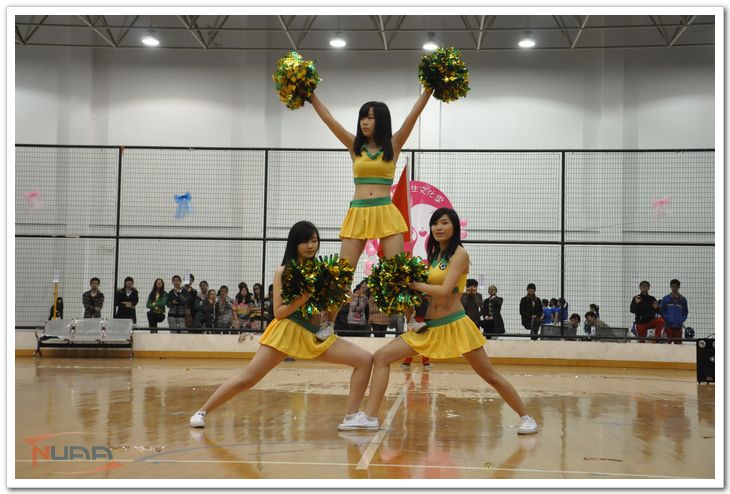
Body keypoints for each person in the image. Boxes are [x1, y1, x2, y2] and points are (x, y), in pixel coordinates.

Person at [350, 208, 538, 434]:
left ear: (454, 226)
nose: (438, 228)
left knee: (489, 375)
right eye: (435, 223)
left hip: (455, 325)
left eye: (444, 223)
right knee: (381, 357)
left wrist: (413, 285)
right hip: (430, 327)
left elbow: (445, 290)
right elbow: (426, 293)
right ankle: (370, 417)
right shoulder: (435, 256)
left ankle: (526, 417)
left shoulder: (460, 254)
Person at [189, 221, 373, 429]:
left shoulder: (323, 271)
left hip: (316, 335)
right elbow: (278, 312)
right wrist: (303, 298)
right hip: (286, 331)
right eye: (305, 241)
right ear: (295, 243)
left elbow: (334, 302)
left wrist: (339, 294)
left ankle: (351, 417)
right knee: (247, 379)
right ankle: (202, 411)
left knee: (364, 360)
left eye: (314, 241)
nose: (311, 246)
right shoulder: (282, 271)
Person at [308, 87, 434, 332]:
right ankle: (328, 323)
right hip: (358, 212)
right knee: (343, 273)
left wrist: (429, 89)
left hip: (385, 211)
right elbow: (329, 119)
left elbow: (413, 115)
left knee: (398, 270)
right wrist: (310, 95)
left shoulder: (394, 145)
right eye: (362, 117)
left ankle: (411, 320)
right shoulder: (355, 146)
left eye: (370, 117)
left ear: (381, 121)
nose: (364, 122)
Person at [660, 279, 689, 345]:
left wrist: (681, 320)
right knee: (668, 344)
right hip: (668, 326)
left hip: (678, 326)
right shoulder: (666, 298)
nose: (674, 288)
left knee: (678, 345)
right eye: (673, 286)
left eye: (676, 286)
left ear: (679, 287)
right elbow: (662, 311)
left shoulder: (683, 300)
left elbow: (685, 312)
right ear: (670, 286)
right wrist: (667, 319)